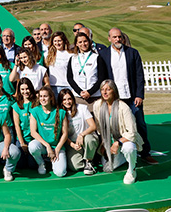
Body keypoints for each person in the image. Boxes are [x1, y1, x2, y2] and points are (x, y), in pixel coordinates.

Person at [99, 27, 156, 164]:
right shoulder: (104, 54)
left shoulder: (132, 53)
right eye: (114, 37)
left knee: (139, 124)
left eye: (119, 37)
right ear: (109, 39)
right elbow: (102, 77)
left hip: (131, 97)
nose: (117, 39)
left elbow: (139, 75)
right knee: (113, 126)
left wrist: (139, 95)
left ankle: (145, 152)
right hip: (114, 98)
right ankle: (113, 153)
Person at [92, 79, 143, 184]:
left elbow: (132, 132)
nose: (105, 92)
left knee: (129, 148)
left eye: (108, 89)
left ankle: (131, 169)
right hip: (108, 142)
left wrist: (118, 142)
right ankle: (121, 157)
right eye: (102, 90)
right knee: (110, 166)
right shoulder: (97, 105)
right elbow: (99, 128)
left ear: (114, 91)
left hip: (123, 140)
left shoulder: (123, 107)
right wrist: (103, 144)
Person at [29, 87, 68, 177]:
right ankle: (41, 163)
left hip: (57, 146)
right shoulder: (35, 111)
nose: (43, 99)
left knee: (60, 173)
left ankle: (52, 161)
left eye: (45, 96)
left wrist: (57, 148)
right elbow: (33, 132)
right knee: (32, 146)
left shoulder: (61, 112)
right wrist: (47, 146)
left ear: (51, 97)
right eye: (41, 96)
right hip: (43, 145)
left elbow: (65, 133)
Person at [58, 89, 98, 175]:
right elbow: (62, 134)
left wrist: (82, 134)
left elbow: (93, 126)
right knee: (75, 166)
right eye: (64, 99)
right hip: (73, 143)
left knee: (89, 139)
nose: (67, 102)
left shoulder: (82, 108)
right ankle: (91, 156)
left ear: (73, 99)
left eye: (69, 99)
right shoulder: (60, 113)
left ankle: (89, 161)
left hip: (87, 137)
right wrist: (72, 144)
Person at [67, 32, 109, 107]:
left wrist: (90, 92)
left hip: (95, 97)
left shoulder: (96, 57)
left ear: (89, 42)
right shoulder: (73, 58)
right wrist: (79, 92)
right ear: (76, 44)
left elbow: (102, 78)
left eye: (85, 41)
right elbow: (70, 78)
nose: (83, 44)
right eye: (80, 42)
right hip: (78, 97)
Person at [11, 78, 38, 170]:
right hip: (22, 138)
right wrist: (22, 143)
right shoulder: (16, 105)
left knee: (32, 165)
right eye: (22, 89)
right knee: (20, 165)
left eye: (27, 89)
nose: (25, 91)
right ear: (19, 90)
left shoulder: (36, 103)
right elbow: (17, 126)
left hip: (34, 139)